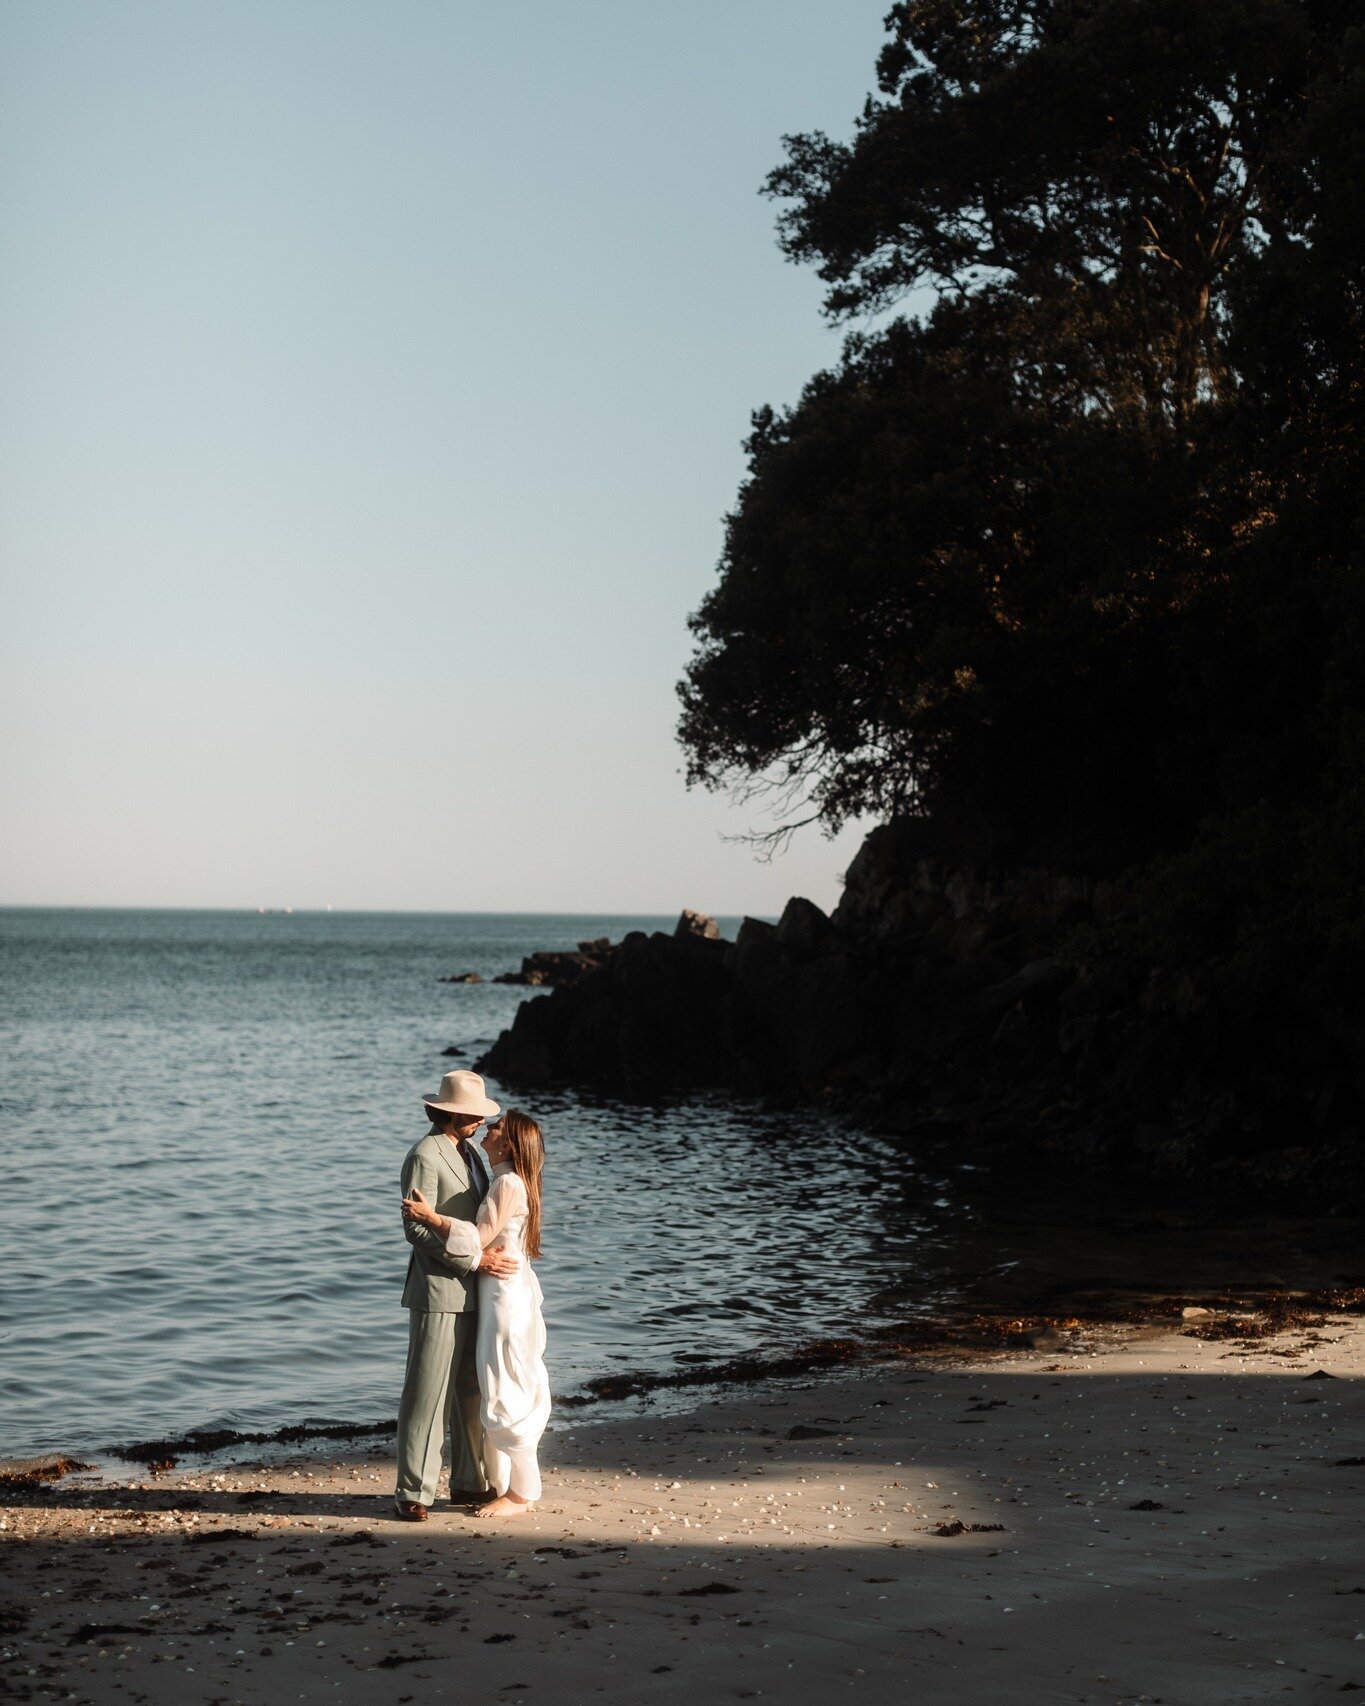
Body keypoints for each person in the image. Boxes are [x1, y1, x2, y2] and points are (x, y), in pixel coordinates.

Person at [403, 1107, 550, 1519]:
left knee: (505, 1383)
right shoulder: (499, 1176)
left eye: (497, 1126)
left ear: (508, 1143)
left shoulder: (506, 1182)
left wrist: (431, 1217)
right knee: (499, 1380)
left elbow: (480, 1238)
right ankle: (502, 1483)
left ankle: (521, 1493)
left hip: (502, 1295)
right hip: (497, 1292)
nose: (488, 1125)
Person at [393, 1069, 519, 1522]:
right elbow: (415, 1228)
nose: (482, 1124)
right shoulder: (425, 1154)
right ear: (450, 1112)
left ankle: (469, 1481)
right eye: (474, 1115)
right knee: (427, 1392)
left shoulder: (469, 1153)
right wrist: (475, 1262)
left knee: (470, 1391)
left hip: (477, 1293)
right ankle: (413, 1491)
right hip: (437, 1290)